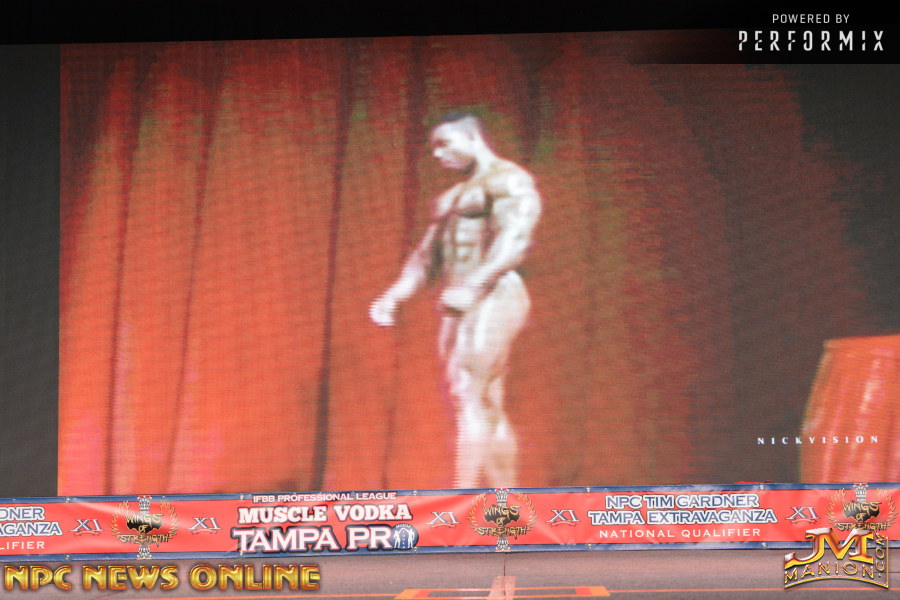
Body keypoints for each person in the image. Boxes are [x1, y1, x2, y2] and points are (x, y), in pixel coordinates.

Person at [370, 113, 541, 488]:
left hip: (494, 291)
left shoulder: (508, 180)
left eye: (444, 143)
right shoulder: (450, 197)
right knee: (484, 400)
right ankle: (506, 504)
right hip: (460, 297)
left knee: (468, 392)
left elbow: (515, 239)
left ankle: (463, 501)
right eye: (433, 146)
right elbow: (425, 257)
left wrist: (475, 284)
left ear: (473, 137)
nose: (437, 153)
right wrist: (394, 295)